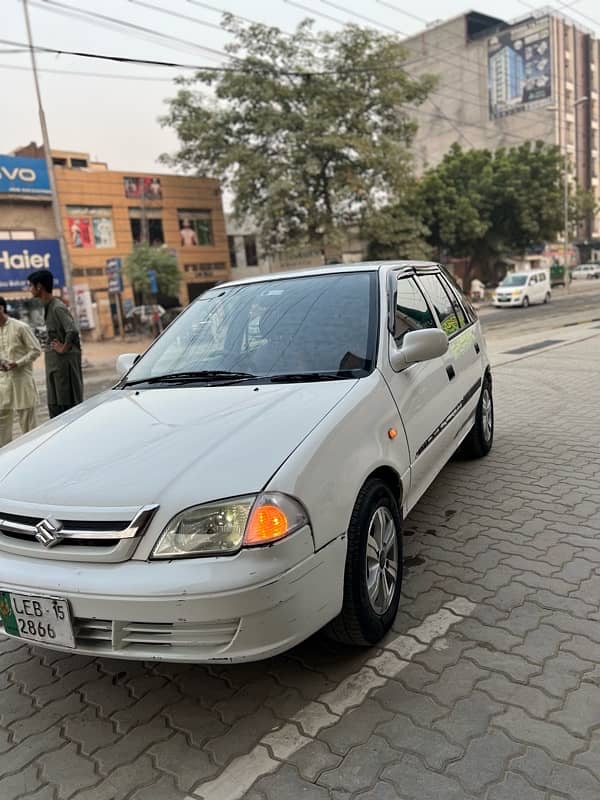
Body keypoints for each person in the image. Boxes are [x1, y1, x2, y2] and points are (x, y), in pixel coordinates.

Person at [27, 270, 83, 418]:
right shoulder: (48, 306)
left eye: (31, 286)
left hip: (64, 365)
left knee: (67, 405)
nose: (29, 289)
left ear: (39, 287)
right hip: (54, 364)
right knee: (55, 404)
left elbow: (72, 330)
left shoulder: (57, 307)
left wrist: (63, 347)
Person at [0, 297, 42, 446]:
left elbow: (36, 350)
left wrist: (17, 363)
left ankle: (34, 458)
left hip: (22, 381)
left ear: (1, 308)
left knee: (29, 425)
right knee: (2, 423)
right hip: (3, 383)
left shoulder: (20, 327)